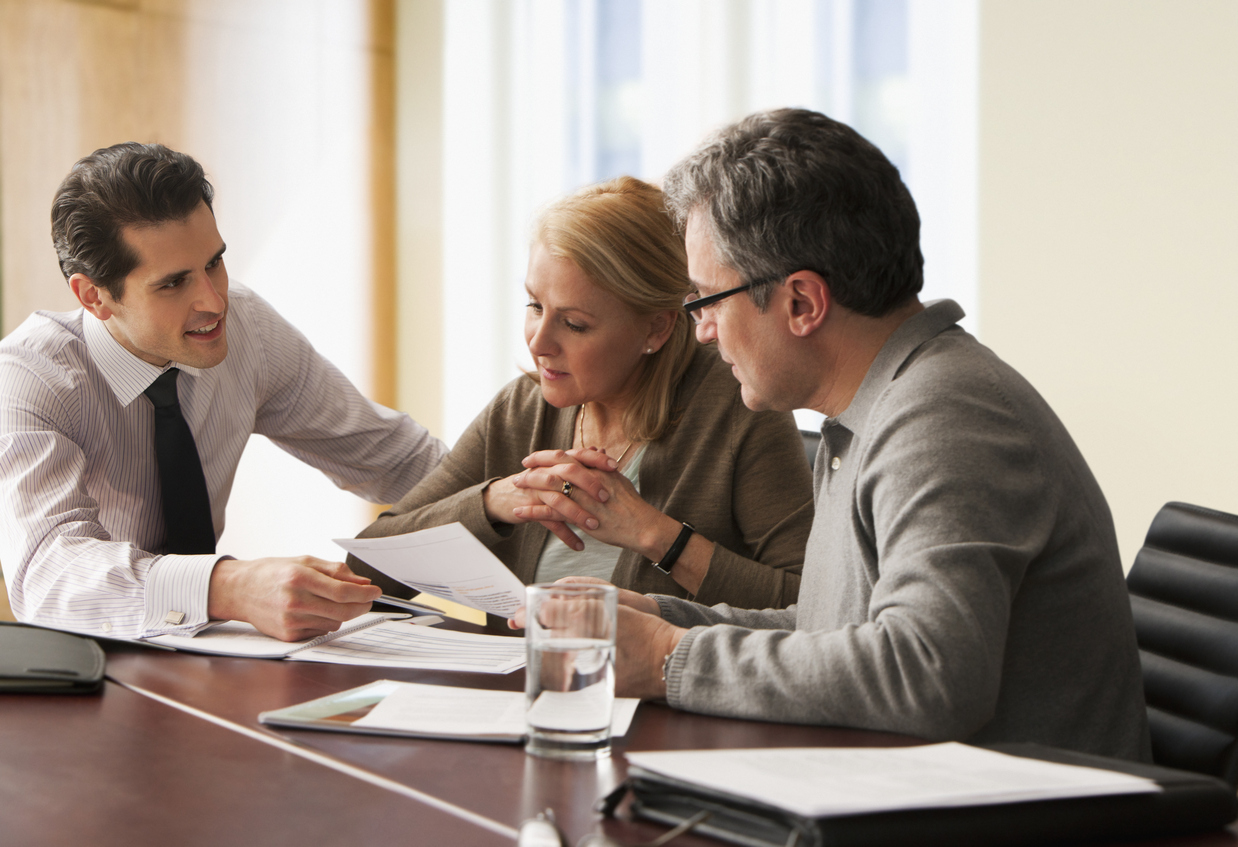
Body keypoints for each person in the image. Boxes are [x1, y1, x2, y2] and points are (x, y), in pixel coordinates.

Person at [581, 110, 1151, 761]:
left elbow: (928, 672)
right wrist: (660, 621)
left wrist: (666, 658)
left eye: (707, 300)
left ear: (802, 302)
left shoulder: (946, 418)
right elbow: (834, 632)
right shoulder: (877, 408)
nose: (702, 329)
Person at [0, 142, 447, 642]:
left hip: (212, 665)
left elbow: (398, 461)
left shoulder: (247, 327)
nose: (214, 302)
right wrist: (229, 586)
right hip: (87, 675)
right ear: (94, 296)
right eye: (173, 284)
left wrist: (529, 504)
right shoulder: (28, 376)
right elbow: (47, 575)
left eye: (214, 263)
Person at [351, 177, 812, 608]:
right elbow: (368, 568)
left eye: (574, 324)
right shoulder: (521, 410)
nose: (538, 342)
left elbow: (807, 606)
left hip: (660, 694)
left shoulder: (741, 407)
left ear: (656, 327)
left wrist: (652, 533)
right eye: (535, 305)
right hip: (517, 690)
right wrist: (494, 502)